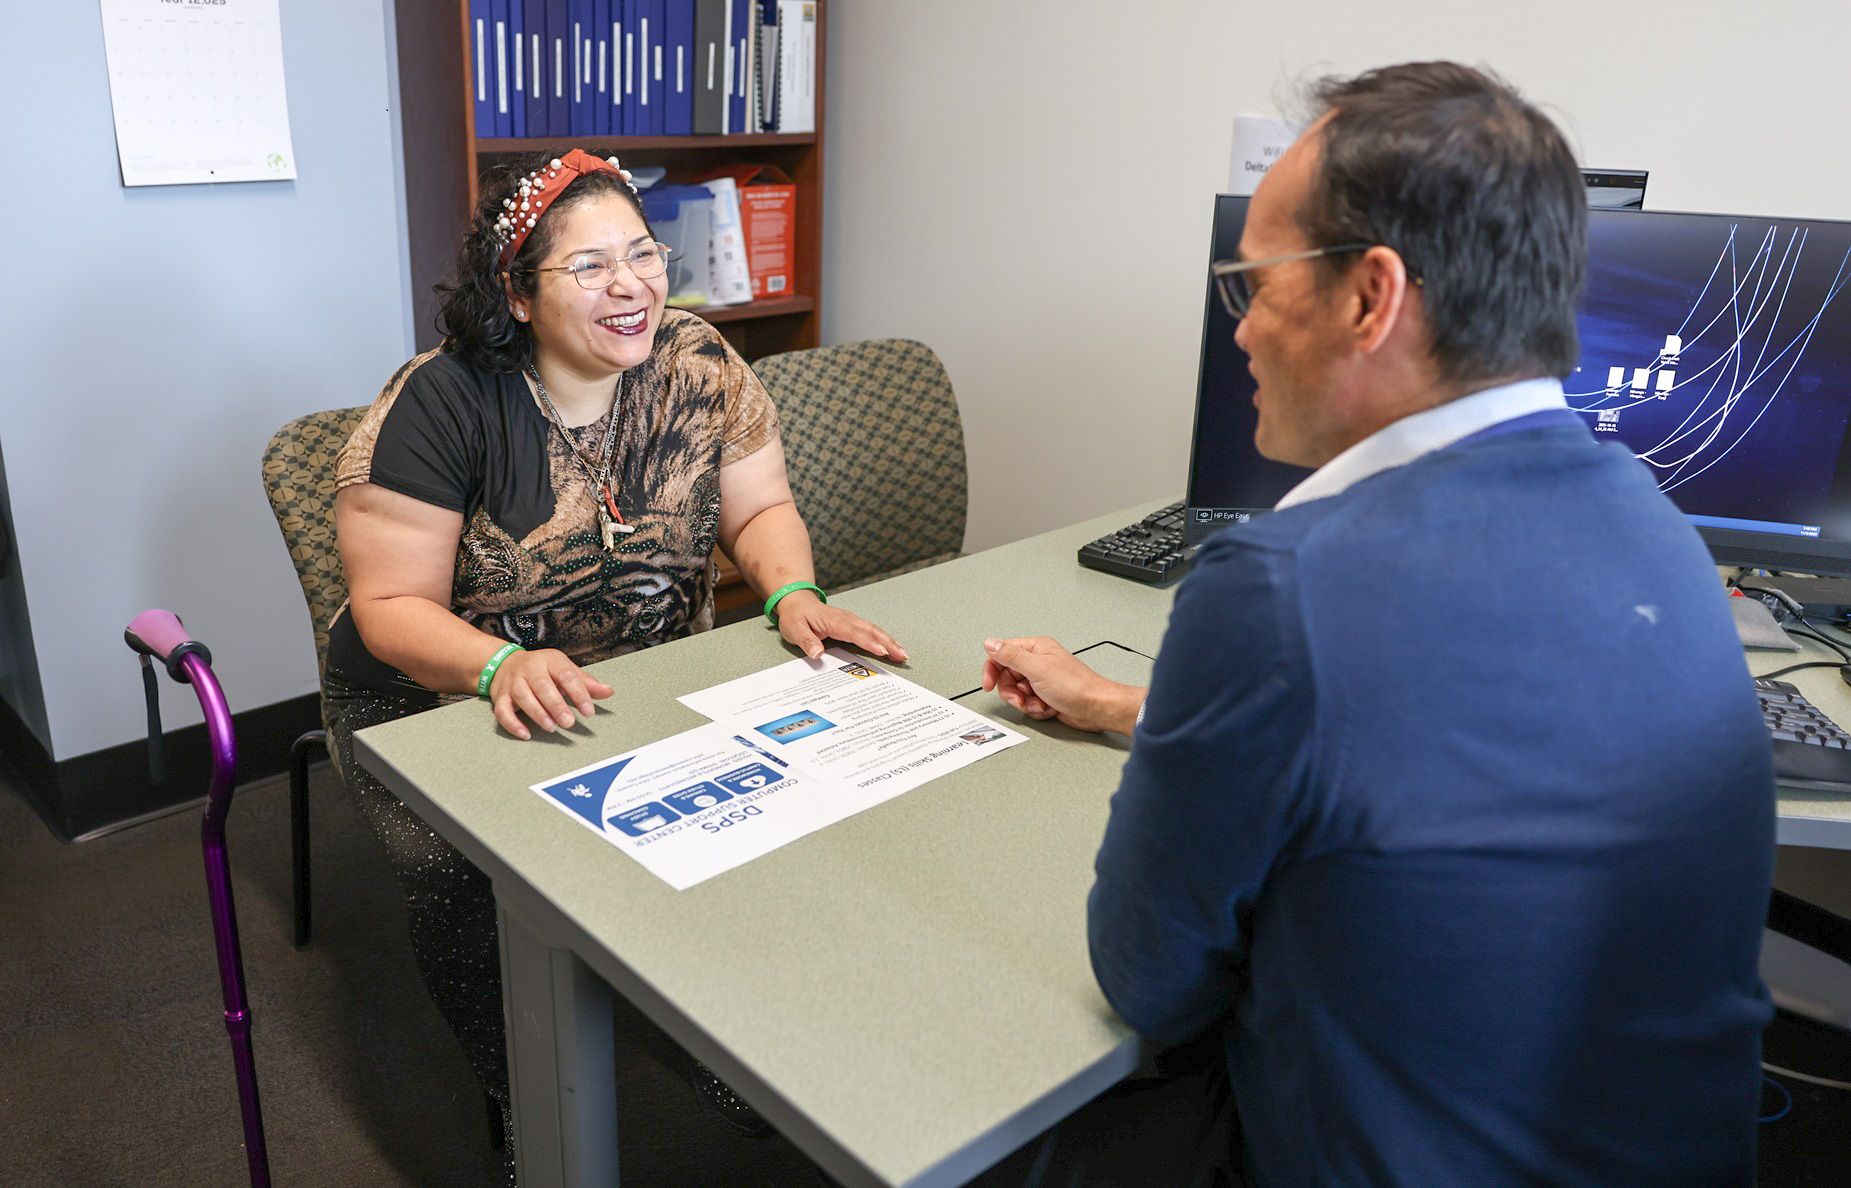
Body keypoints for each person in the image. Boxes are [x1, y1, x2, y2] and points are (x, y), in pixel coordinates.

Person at [980, 64, 1775, 1185]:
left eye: (1257, 283)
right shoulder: (1653, 524)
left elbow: (1149, 975)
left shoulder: (1277, 584)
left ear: (1371, 295)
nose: (1243, 328)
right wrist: (1126, 704)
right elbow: (1436, 745)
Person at [326, 148, 904, 1164]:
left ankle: (733, 1041)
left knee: (732, 814)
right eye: (590, 267)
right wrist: (498, 668)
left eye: (643, 253)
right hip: (437, 697)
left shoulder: (700, 364)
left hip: (639, 670)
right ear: (516, 290)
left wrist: (791, 590)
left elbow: (760, 505)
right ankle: (521, 1095)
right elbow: (386, 606)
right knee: (464, 877)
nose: (633, 284)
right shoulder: (441, 402)